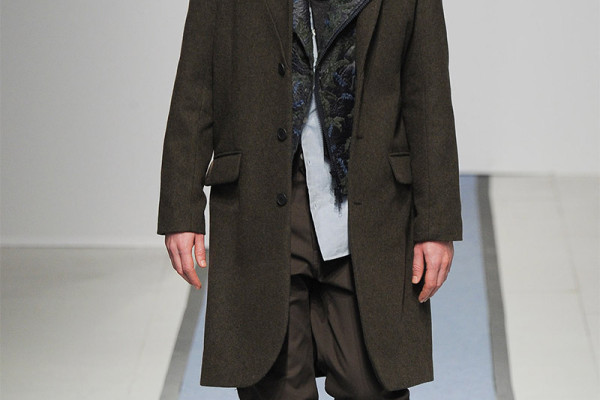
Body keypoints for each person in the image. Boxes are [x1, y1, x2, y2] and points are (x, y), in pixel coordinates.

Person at [158, 0, 462, 398]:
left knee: (369, 385)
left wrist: (436, 223)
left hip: (370, 205)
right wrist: (181, 209)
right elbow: (196, 84)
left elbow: (428, 95)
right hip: (263, 202)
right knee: (276, 385)